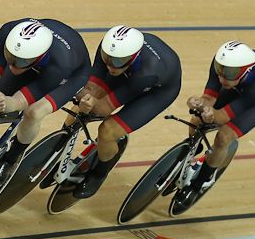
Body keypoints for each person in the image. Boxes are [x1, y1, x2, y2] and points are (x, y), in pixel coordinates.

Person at [0, 17, 91, 191]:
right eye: (10, 57)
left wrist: (4, 104)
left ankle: (10, 159)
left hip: (71, 75)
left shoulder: (60, 65)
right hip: (34, 59)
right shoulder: (8, 32)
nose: (14, 66)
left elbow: (17, 102)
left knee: (33, 112)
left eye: (21, 61)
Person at [70, 25, 182, 199]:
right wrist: (81, 95)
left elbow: (104, 108)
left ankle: (99, 174)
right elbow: (91, 87)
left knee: (107, 131)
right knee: (82, 103)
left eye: (117, 60)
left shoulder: (148, 71)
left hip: (157, 91)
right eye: (108, 58)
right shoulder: (108, 50)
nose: (111, 65)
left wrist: (81, 96)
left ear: (134, 56)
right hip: (129, 71)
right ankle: (60, 146)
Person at [173, 40, 255, 210]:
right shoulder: (222, 65)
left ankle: (202, 181)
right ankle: (193, 151)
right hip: (239, 85)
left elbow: (220, 117)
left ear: (245, 71)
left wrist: (209, 114)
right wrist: (199, 104)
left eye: (229, 73)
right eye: (220, 71)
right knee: (196, 120)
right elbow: (209, 99)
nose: (222, 78)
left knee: (223, 137)